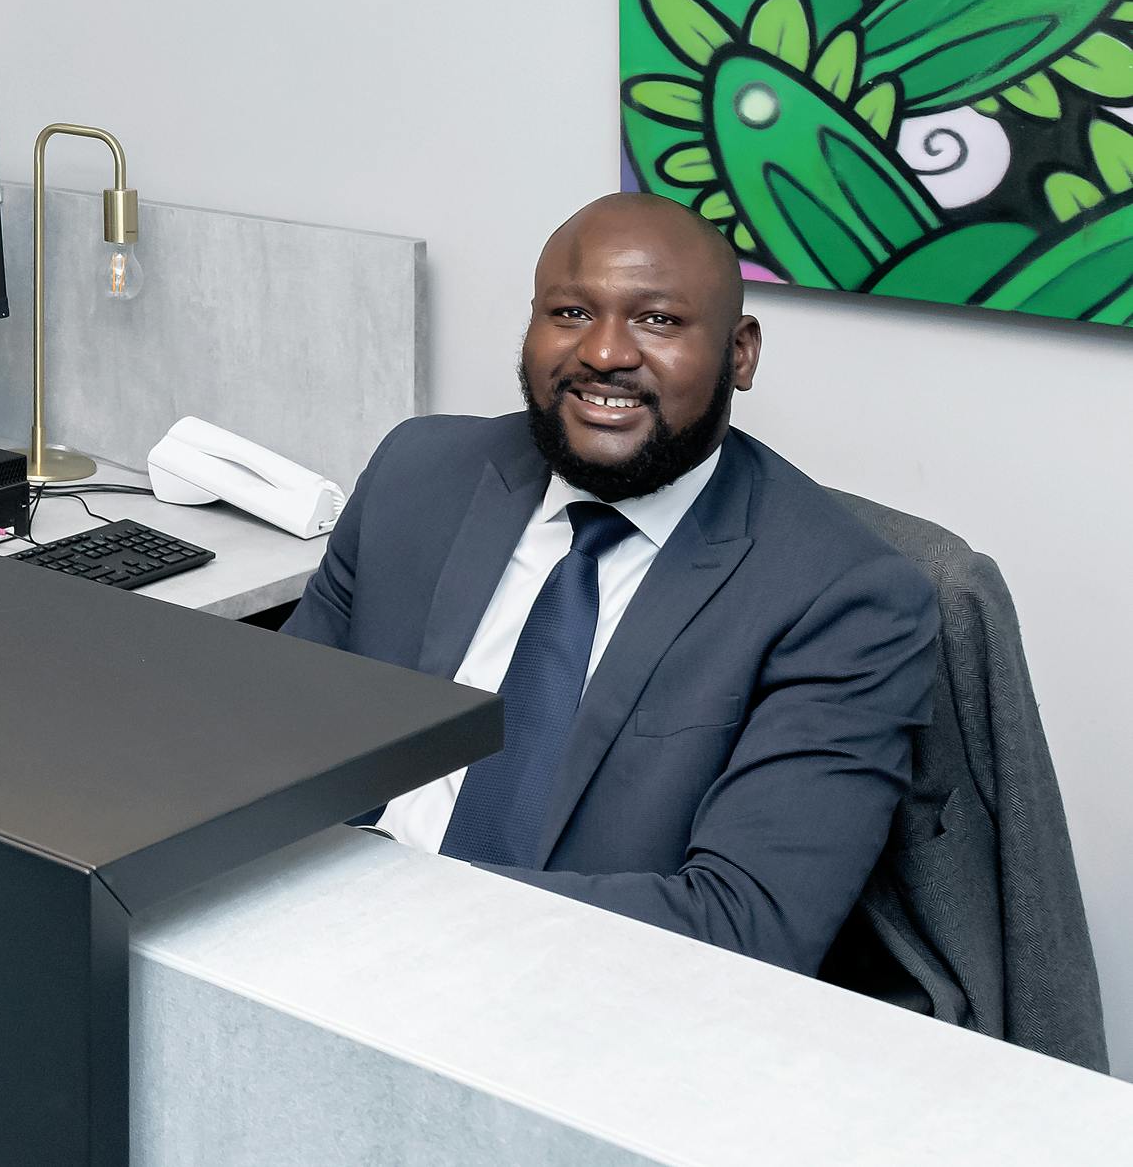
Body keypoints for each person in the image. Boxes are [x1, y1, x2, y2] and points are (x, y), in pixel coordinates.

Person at [282, 192, 938, 974]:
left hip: (580, 1000)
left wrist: (397, 902)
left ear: (741, 352)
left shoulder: (843, 596)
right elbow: (275, 746)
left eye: (657, 319)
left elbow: (744, 928)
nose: (602, 353)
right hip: (307, 944)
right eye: (568, 312)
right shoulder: (417, 473)